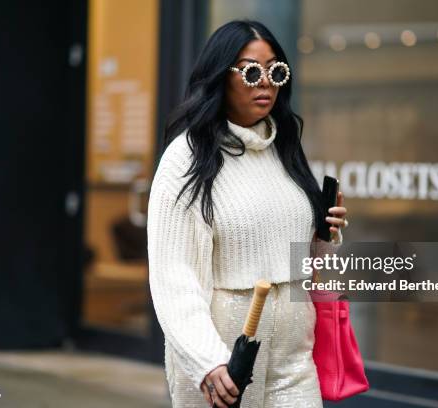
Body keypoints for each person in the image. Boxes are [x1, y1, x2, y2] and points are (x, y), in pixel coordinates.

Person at [147, 19, 347, 408]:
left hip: (295, 358)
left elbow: (311, 266)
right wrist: (207, 360)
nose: (266, 83)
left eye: (276, 71)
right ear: (221, 77)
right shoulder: (187, 158)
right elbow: (174, 276)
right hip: (223, 359)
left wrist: (326, 235)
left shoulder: (285, 148)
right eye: (252, 72)